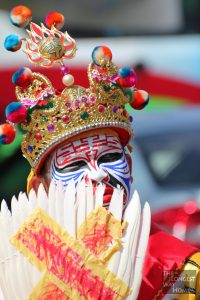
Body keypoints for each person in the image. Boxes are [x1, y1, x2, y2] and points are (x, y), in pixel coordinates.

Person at [0, 6, 199, 299]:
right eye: (75, 164)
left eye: (109, 158)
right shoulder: (12, 255)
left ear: (128, 167)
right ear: (39, 185)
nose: (98, 173)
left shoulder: (183, 268)